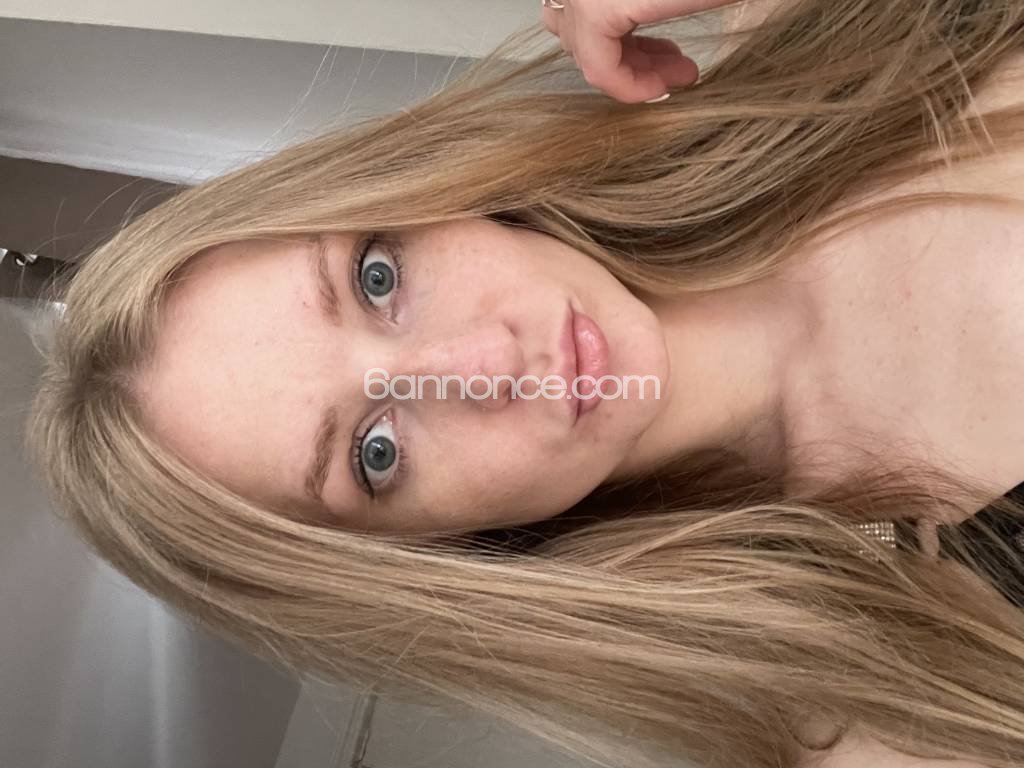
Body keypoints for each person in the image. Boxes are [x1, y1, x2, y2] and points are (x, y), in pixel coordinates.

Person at [23, 1, 1024, 766]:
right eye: (377, 453)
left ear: (419, 193)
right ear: (424, 558)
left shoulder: (822, 31)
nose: (482, 367)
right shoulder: (909, 706)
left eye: (378, 278)